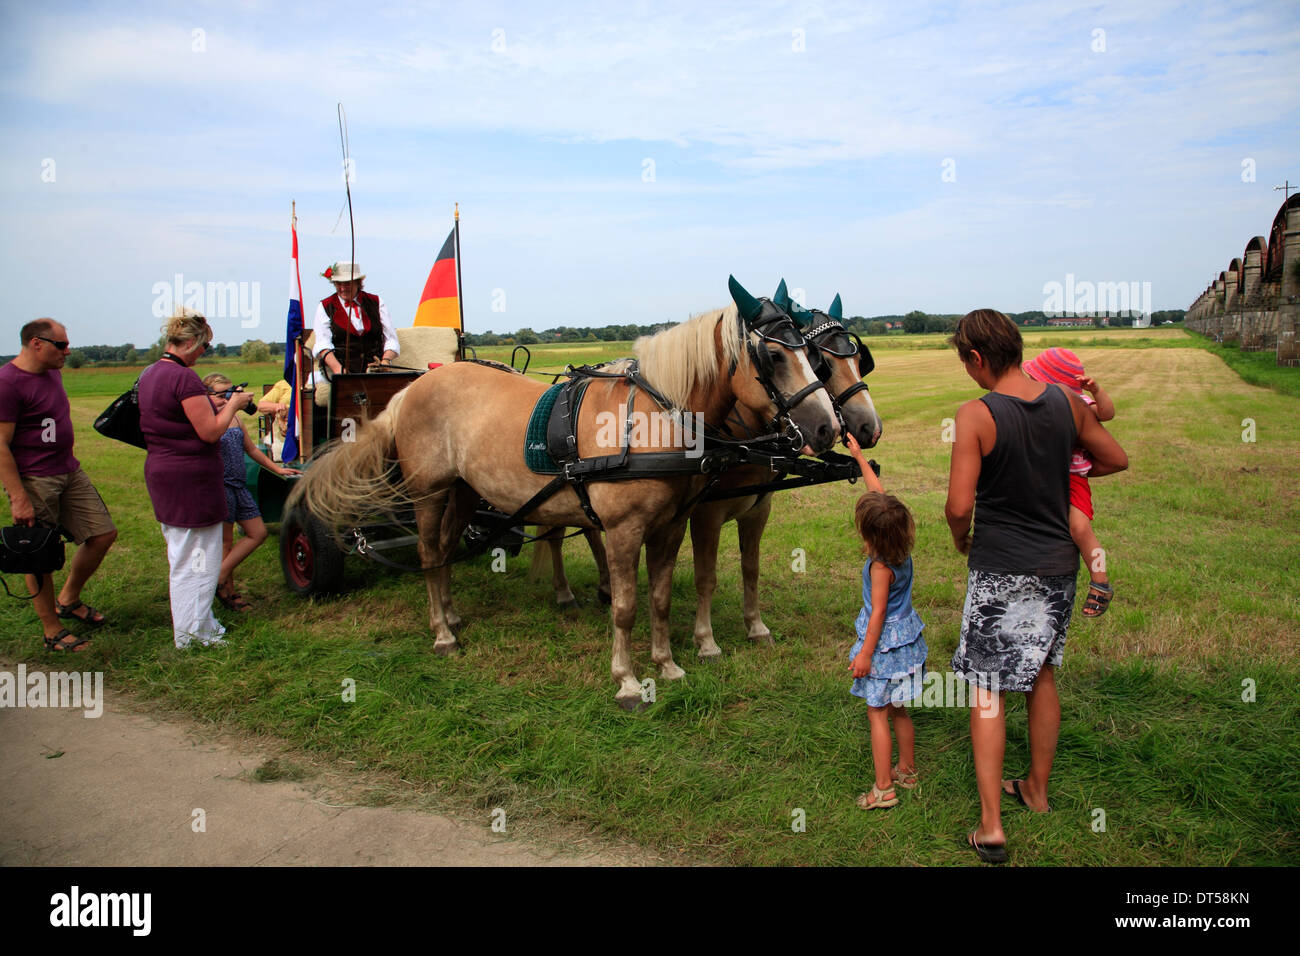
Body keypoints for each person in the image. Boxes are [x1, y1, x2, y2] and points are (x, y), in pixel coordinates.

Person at [944, 309, 1127, 863]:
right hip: (1056, 567)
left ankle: (992, 827)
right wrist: (1058, 470)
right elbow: (1115, 458)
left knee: (988, 686)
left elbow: (957, 506)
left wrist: (961, 537)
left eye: (966, 363)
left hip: (1001, 565)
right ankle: (1037, 792)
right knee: (1041, 671)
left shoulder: (976, 415)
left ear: (976, 359)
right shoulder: (1067, 403)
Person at [0, 318, 117, 651]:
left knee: (103, 533)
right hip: (35, 479)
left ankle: (68, 599)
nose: (68, 351)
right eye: (61, 345)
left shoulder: (53, 373)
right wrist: (19, 498)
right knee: (37, 551)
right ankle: (52, 630)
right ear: (36, 344)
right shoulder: (8, 383)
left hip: (68, 470)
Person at [138, 307, 248, 648]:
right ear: (191, 343)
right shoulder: (183, 378)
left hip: (164, 473)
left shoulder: (151, 373)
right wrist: (235, 404)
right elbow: (210, 432)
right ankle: (194, 634)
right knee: (197, 560)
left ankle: (197, 626)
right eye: (205, 347)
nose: (204, 354)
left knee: (182, 557)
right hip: (191, 479)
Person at [844, 432, 926, 810]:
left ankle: (882, 789)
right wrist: (859, 457)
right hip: (906, 639)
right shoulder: (901, 549)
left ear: (869, 532)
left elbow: (877, 615)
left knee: (876, 713)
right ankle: (906, 771)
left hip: (883, 646)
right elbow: (879, 495)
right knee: (899, 709)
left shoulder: (880, 567)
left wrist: (863, 655)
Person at [1023, 347, 1116, 617]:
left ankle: (1100, 580)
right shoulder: (1036, 405)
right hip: (1045, 477)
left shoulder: (1079, 405)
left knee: (1079, 528)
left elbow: (1107, 413)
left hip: (1073, 478)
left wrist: (1097, 392)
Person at [201, 373, 301, 611]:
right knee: (225, 544)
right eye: (220, 395)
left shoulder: (234, 417)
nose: (226, 399)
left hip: (239, 484)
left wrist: (277, 468)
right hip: (221, 485)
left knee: (258, 533)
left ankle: (219, 576)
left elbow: (251, 450)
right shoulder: (208, 419)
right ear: (205, 396)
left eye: (230, 393)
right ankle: (229, 593)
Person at [311, 262, 398, 376]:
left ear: (358, 282)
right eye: (338, 284)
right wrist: (339, 370)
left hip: (374, 371)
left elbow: (391, 339)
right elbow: (323, 344)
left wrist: (385, 361)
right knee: (327, 392)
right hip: (338, 371)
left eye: (347, 284)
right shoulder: (325, 306)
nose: (342, 288)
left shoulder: (376, 302)